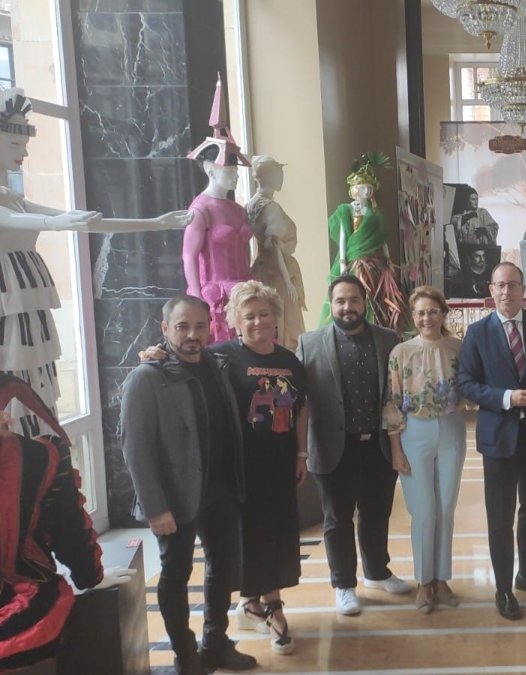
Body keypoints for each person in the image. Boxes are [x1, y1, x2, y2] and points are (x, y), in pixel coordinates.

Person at [0, 87, 189, 438]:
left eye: (24, 143)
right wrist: (57, 222)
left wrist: (155, 222)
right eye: (14, 143)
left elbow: (89, 222)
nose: (23, 152)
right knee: (11, 368)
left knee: (31, 377)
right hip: (9, 298)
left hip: (26, 298)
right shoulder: (12, 207)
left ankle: (34, 453)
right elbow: (20, 221)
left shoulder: (14, 198)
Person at [120, 296, 255, 674]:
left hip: (221, 490)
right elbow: (135, 448)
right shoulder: (146, 378)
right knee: (176, 574)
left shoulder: (217, 364)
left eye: (199, 326)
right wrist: (155, 507)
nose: (192, 334)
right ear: (165, 328)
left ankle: (215, 644)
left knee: (223, 568)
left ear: (210, 327)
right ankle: (185, 655)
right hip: (175, 497)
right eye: (182, 326)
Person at [297, 275, 413, 617]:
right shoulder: (309, 343)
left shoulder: (387, 339)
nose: (347, 307)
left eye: (354, 300)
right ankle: (344, 584)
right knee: (337, 519)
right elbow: (297, 398)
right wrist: (299, 450)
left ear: (364, 302)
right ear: (331, 304)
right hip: (333, 447)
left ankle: (377, 572)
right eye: (340, 301)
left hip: (378, 445)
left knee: (377, 514)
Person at [0, 375, 134, 671]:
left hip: (25, 594)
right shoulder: (39, 456)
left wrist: (91, 576)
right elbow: (66, 526)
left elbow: (66, 525)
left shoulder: (38, 458)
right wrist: (91, 576)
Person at [457, 262, 526, 621]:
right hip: (498, 438)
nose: (506, 291)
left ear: (523, 289)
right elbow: (466, 383)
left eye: (512, 285)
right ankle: (503, 588)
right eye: (500, 285)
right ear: (491, 290)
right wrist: (507, 398)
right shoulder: (477, 333)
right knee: (500, 519)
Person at [215, 281, 308, 655]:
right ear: (236, 321)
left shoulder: (290, 361)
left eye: (264, 314)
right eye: (249, 316)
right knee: (251, 534)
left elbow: (301, 409)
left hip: (280, 463)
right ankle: (272, 608)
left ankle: (252, 603)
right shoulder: (221, 357)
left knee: (278, 532)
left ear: (275, 317)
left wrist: (301, 454)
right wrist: (155, 354)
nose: (257, 322)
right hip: (240, 466)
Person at [383, 286, 468, 615]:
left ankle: (441, 578)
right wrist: (396, 449)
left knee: (445, 508)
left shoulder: (457, 348)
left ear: (443, 313)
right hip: (414, 431)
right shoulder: (401, 352)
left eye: (433, 311)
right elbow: (392, 401)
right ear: (413, 316)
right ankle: (424, 581)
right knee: (423, 511)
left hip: (451, 429)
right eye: (420, 312)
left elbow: (471, 387)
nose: (427, 318)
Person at [183, 78, 254, 343]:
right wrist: (196, 296)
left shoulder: (238, 209)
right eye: (229, 170)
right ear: (211, 169)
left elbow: (246, 251)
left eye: (236, 170)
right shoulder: (201, 209)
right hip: (216, 297)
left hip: (244, 291)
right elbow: (189, 255)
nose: (235, 175)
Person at [320, 152, 406, 332]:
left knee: (377, 295)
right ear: (355, 188)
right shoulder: (347, 210)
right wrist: (343, 262)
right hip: (356, 262)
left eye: (369, 188)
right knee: (357, 292)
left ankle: (378, 328)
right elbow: (343, 237)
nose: (366, 191)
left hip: (375, 263)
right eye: (362, 187)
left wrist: (388, 260)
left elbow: (381, 239)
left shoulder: (375, 213)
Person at [247, 155, 306, 350]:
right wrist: (287, 280)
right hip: (278, 271)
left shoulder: (251, 204)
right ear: (267, 176)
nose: (281, 177)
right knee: (285, 320)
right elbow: (275, 246)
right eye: (278, 173)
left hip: (261, 267)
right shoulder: (270, 207)